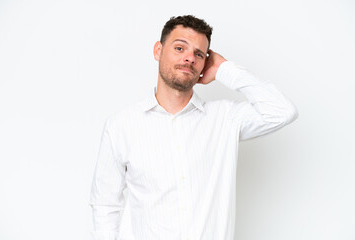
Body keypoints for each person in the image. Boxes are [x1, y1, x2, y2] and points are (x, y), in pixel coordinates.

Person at [90, 15, 298, 240]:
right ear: (158, 50)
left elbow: (282, 111)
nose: (189, 58)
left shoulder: (224, 119)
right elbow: (104, 207)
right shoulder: (122, 125)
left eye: (199, 54)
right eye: (180, 48)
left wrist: (223, 69)